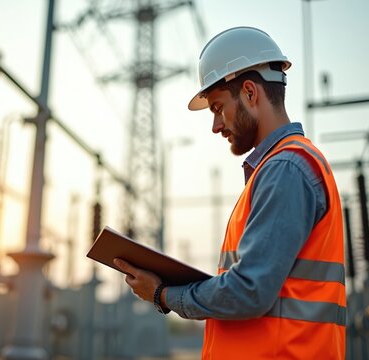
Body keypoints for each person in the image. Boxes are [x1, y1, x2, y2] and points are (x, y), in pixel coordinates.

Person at [113, 26, 346, 359]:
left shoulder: (285, 169)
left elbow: (249, 290)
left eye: (218, 108)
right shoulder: (282, 168)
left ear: (250, 93)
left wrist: (163, 294)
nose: (216, 126)